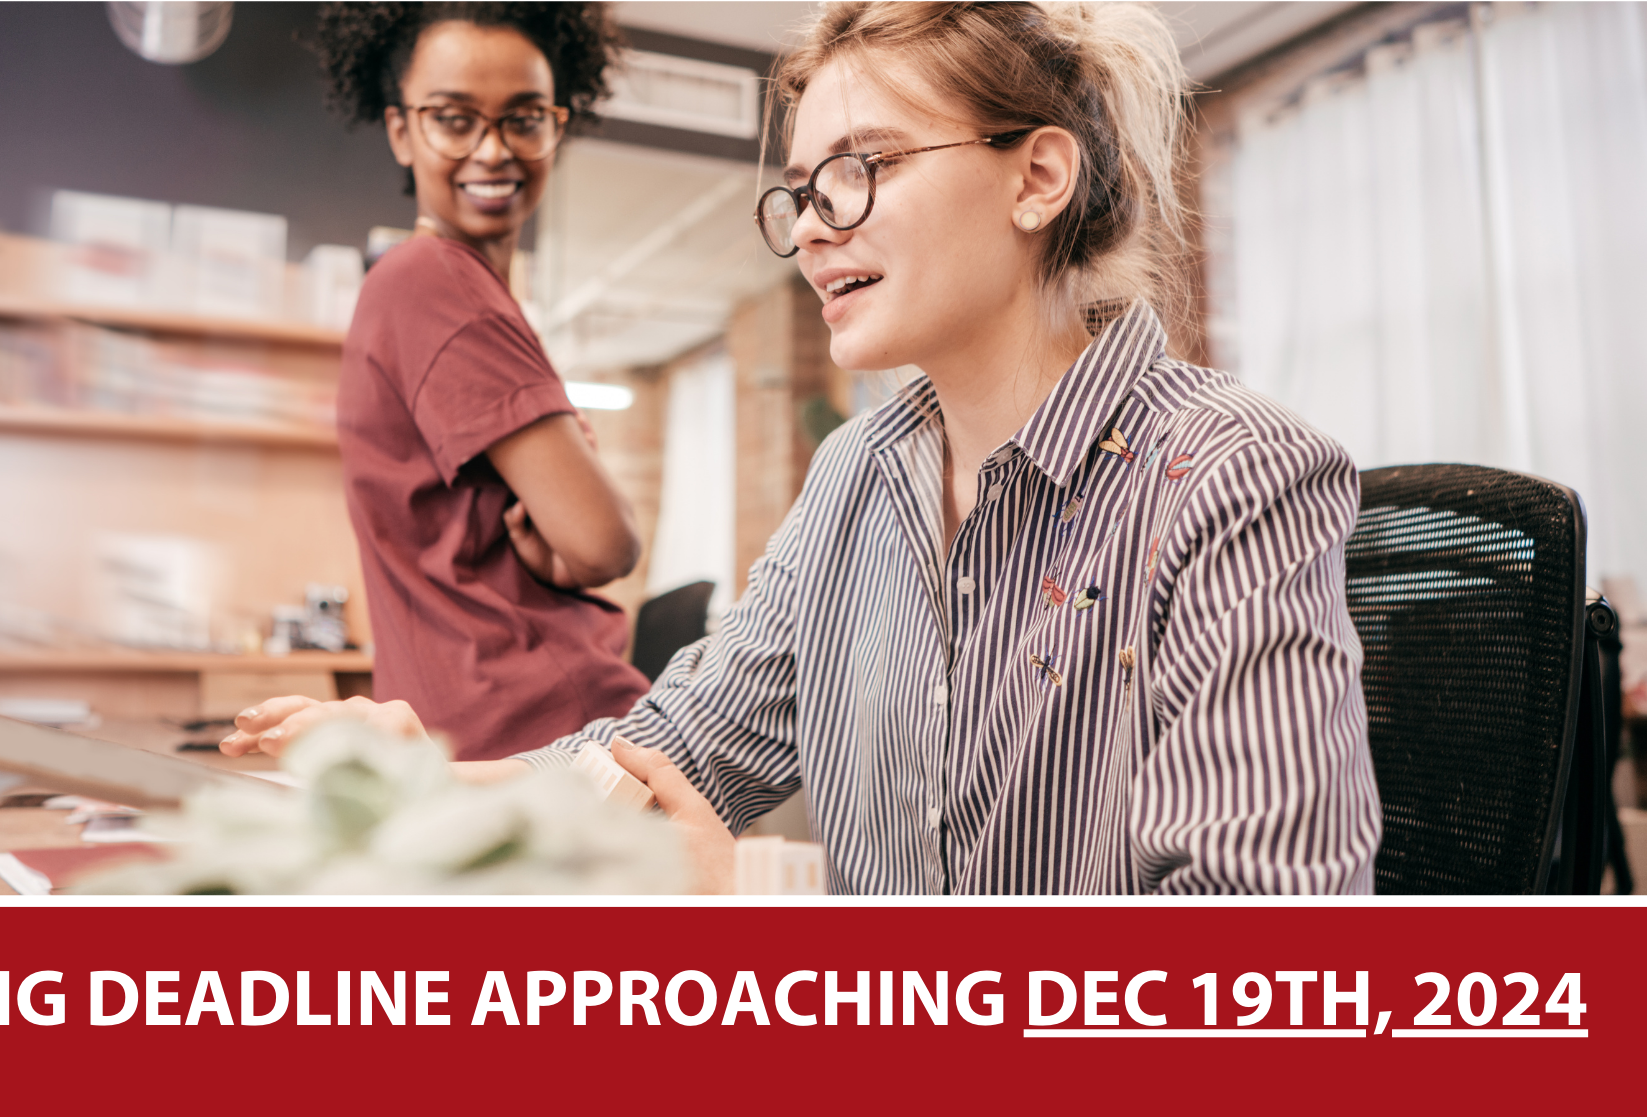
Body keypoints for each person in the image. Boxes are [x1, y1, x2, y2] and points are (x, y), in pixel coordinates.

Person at [230, 1, 1383, 895]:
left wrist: (770, 918)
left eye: (863, 168)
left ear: (1037, 177)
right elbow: (666, 746)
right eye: (801, 194)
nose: (817, 226)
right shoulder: (859, 478)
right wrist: (423, 776)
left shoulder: (1232, 476)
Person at [304, 3, 651, 761]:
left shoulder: (449, 291)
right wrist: (576, 529)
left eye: (523, 118)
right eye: (454, 120)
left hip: (502, 738)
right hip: (539, 735)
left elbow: (567, 543)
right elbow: (604, 542)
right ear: (401, 130)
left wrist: (555, 545)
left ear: (557, 122)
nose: (493, 150)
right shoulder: (430, 280)